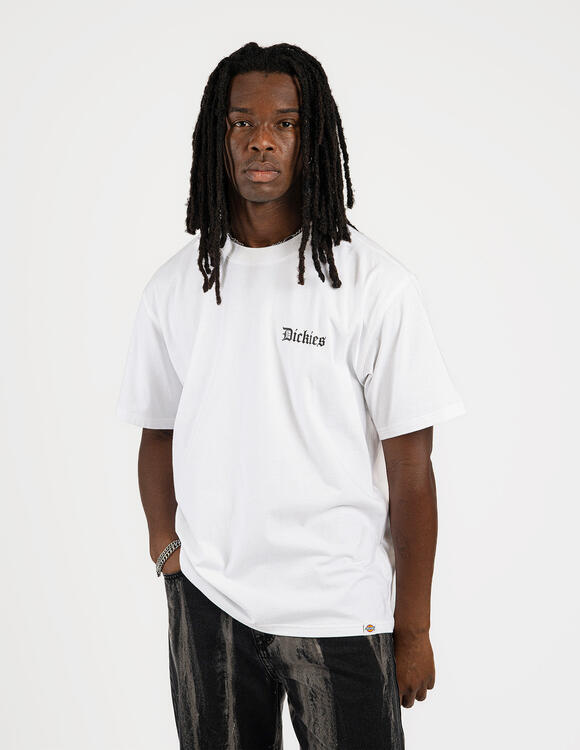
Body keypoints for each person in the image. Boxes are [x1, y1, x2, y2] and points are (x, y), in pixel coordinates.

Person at [116, 41, 466, 750]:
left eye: (285, 123)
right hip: (210, 603)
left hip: (338, 610)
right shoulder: (175, 287)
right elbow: (158, 431)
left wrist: (414, 627)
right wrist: (165, 549)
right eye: (242, 123)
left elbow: (411, 471)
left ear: (314, 138)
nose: (262, 140)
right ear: (217, 137)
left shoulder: (374, 286)